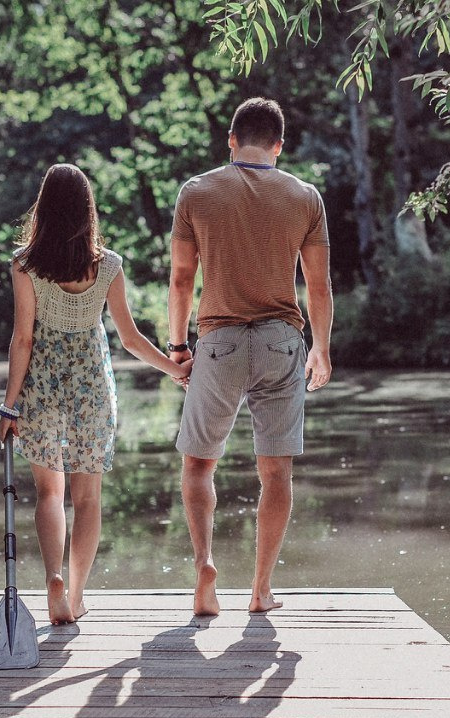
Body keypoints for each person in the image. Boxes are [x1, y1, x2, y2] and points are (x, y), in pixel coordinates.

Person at [0, 163, 191, 625]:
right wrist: (173, 368)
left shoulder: (24, 264)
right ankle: (78, 593)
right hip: (92, 390)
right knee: (87, 498)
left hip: (41, 386)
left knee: (49, 493)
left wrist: (9, 404)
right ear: (88, 209)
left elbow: (22, 338)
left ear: (44, 208)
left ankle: (52, 580)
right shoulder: (107, 266)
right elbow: (129, 337)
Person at [167, 97, 334, 617]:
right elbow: (320, 285)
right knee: (276, 472)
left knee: (198, 463)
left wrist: (177, 346)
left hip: (218, 341)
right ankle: (260, 589)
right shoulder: (305, 197)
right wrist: (323, 348)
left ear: (232, 140)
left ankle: (204, 571)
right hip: (281, 339)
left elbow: (180, 278)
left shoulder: (196, 192)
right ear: (280, 146)